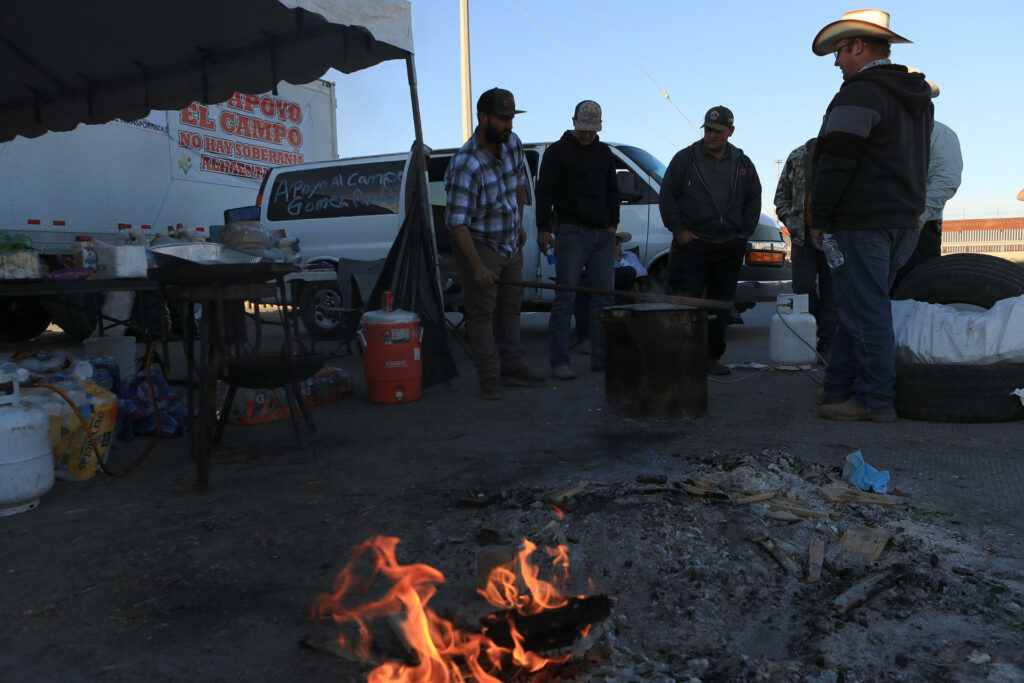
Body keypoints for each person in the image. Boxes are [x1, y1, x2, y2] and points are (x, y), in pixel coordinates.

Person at [809, 10, 934, 421]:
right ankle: (839, 387)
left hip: (861, 222)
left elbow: (837, 161)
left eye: (840, 52)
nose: (837, 62)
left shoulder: (859, 93)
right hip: (902, 221)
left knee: (866, 311)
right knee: (858, 306)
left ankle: (875, 400)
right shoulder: (915, 98)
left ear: (859, 46)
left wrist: (819, 217)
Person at [444, 87, 547, 400]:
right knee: (481, 314)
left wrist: (517, 224)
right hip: (481, 244)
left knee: (511, 309)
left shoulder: (511, 142)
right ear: (483, 117)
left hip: (508, 241)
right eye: (503, 119)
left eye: (511, 118)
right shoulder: (466, 164)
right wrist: (476, 266)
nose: (509, 125)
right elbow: (456, 223)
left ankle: (513, 368)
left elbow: (517, 182)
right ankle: (489, 378)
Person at [658, 105, 762, 376]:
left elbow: (754, 200)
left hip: (729, 246)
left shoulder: (743, 163)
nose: (712, 135)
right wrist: (679, 231)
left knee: (720, 305)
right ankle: (679, 359)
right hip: (692, 245)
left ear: (730, 131)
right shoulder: (685, 159)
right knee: (685, 303)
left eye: (717, 131)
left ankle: (711, 358)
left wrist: (743, 234)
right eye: (708, 129)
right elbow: (667, 196)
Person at [536, 100, 619, 380]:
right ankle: (559, 361)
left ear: (599, 128)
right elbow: (544, 192)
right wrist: (543, 228)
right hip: (571, 232)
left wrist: (612, 227)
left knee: (604, 299)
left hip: (602, 235)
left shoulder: (605, 153)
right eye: (582, 129)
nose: (586, 135)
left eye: (591, 130)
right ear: (573, 122)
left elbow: (612, 190)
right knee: (565, 298)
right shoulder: (556, 153)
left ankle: (601, 358)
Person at [891, 70, 963, 291]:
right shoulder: (886, 133)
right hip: (882, 228)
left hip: (920, 228)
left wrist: (920, 217)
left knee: (916, 294)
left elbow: (945, 179)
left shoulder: (939, 133)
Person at [774, 138, 836, 363]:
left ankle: (827, 346)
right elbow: (781, 197)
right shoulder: (799, 156)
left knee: (833, 293)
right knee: (802, 288)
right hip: (802, 237)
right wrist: (792, 222)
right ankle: (816, 329)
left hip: (834, 239)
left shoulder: (846, 154)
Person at [572, 230, 646, 352]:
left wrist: (618, 259)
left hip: (617, 286)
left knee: (629, 272)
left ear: (620, 244)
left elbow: (642, 273)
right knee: (582, 283)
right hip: (595, 284)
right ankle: (585, 339)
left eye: (615, 241)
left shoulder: (629, 256)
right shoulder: (592, 255)